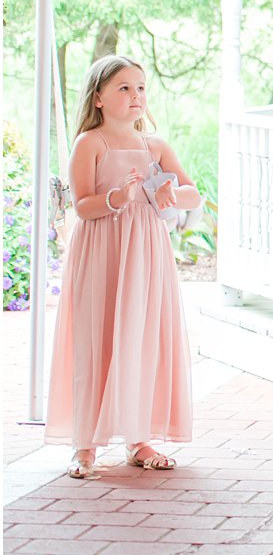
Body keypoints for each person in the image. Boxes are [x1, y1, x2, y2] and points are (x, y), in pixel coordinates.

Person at [45, 55, 201, 479]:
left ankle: (139, 437)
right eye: (124, 88)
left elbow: (193, 194)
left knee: (141, 335)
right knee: (97, 337)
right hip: (102, 252)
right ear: (98, 98)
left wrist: (171, 192)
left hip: (147, 255)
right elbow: (82, 206)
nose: (135, 96)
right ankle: (85, 445)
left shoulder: (156, 146)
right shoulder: (90, 143)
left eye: (141, 88)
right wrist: (118, 198)